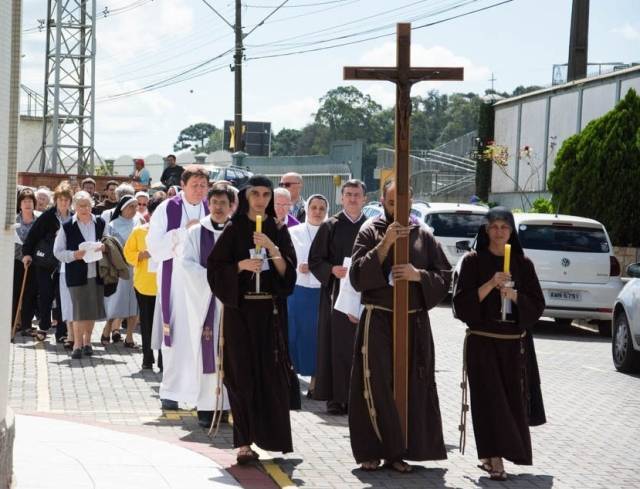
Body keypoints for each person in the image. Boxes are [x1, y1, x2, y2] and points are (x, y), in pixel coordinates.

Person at [348, 180, 450, 473]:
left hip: (414, 320)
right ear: (383, 201)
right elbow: (356, 277)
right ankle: (372, 449)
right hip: (378, 318)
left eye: (403, 204)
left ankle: (401, 451)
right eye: (393, 203)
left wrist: (419, 276)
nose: (398, 209)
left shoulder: (424, 235)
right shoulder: (370, 230)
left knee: (412, 384)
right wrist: (385, 244)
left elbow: (444, 276)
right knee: (375, 383)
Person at [208, 175, 297, 463]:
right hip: (241, 314)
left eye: (266, 195)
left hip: (269, 315)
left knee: (271, 377)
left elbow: (288, 274)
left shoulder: (278, 229)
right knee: (242, 376)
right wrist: (240, 266)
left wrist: (272, 249)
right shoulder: (234, 230)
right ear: (246, 196)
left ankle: (273, 437)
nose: (261, 200)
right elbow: (215, 269)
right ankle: (244, 442)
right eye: (256, 194)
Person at [452, 207, 546, 481]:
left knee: (511, 403)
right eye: (494, 226)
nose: (499, 232)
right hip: (483, 343)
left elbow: (537, 304)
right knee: (488, 401)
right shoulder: (472, 262)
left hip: (513, 346)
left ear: (511, 232)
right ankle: (494, 458)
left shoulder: (523, 264)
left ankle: (497, 455)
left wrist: (515, 296)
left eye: (504, 227)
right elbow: (461, 304)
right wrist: (490, 284)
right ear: (485, 230)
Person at [147, 165, 210, 410]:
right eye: (194, 185)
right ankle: (171, 390)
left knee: (201, 335)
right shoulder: (167, 208)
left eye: (203, 185)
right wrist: (186, 231)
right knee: (175, 333)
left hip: (203, 285)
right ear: (182, 185)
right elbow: (155, 246)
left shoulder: (212, 208)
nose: (199, 189)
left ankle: (199, 391)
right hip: (175, 282)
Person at [308, 179, 368, 415]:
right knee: (336, 345)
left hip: (365, 293)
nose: (353, 199)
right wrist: (331, 270)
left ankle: (360, 396)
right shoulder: (330, 226)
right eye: (349, 194)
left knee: (362, 345)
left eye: (357, 194)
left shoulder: (371, 226)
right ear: (341, 198)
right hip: (336, 294)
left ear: (364, 198)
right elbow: (315, 260)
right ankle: (336, 397)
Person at [181, 184, 234, 428]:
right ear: (209, 204)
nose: (219, 207)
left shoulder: (237, 232)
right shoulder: (196, 233)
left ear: (231, 205)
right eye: (215, 203)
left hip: (232, 302)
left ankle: (225, 406)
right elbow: (188, 266)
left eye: (224, 203)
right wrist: (215, 280)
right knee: (207, 352)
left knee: (231, 354)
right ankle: (205, 406)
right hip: (205, 303)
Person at [53, 191, 106, 359]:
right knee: (78, 311)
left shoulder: (100, 222)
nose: (84, 208)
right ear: (74, 206)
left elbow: (108, 240)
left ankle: (88, 342)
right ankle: (76, 344)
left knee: (91, 310)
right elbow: (57, 251)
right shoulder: (67, 225)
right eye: (81, 205)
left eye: (88, 205)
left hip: (96, 272)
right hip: (76, 273)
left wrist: (104, 247)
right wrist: (74, 255)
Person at [22, 181, 74, 343]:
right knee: (45, 295)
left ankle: (61, 332)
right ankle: (44, 326)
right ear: (56, 200)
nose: (63, 203)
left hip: (64, 265)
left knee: (61, 298)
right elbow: (33, 236)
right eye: (61, 200)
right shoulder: (48, 216)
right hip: (45, 262)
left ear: (70, 202)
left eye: (66, 200)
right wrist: (27, 254)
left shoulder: (73, 217)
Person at [287, 194, 328, 394]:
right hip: (297, 290)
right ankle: (292, 380)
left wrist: (316, 267)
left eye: (322, 208)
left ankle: (315, 382)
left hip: (320, 292)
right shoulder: (293, 232)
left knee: (315, 338)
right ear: (308, 209)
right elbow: (286, 259)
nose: (317, 212)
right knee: (294, 335)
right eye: (314, 207)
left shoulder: (330, 232)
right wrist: (297, 268)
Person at [123, 195, 163, 369]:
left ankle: (164, 359)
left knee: (165, 325)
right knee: (146, 323)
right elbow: (128, 253)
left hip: (166, 285)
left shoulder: (172, 232)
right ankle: (147, 357)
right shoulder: (139, 231)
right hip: (145, 285)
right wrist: (142, 254)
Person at [103, 195, 144, 348]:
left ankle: (129, 337)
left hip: (137, 266)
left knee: (135, 302)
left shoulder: (139, 222)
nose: (134, 209)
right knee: (117, 299)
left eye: (136, 206)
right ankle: (107, 329)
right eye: (131, 206)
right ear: (122, 208)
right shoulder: (112, 225)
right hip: (119, 267)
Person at [12, 189, 41, 337]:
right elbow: (11, 243)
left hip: (34, 263)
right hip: (17, 262)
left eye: (30, 201)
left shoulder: (39, 221)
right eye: (24, 201)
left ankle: (26, 325)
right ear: (20, 204)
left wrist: (31, 256)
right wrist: (22, 256)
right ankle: (14, 323)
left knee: (30, 294)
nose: (27, 204)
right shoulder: (14, 221)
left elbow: (42, 242)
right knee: (15, 292)